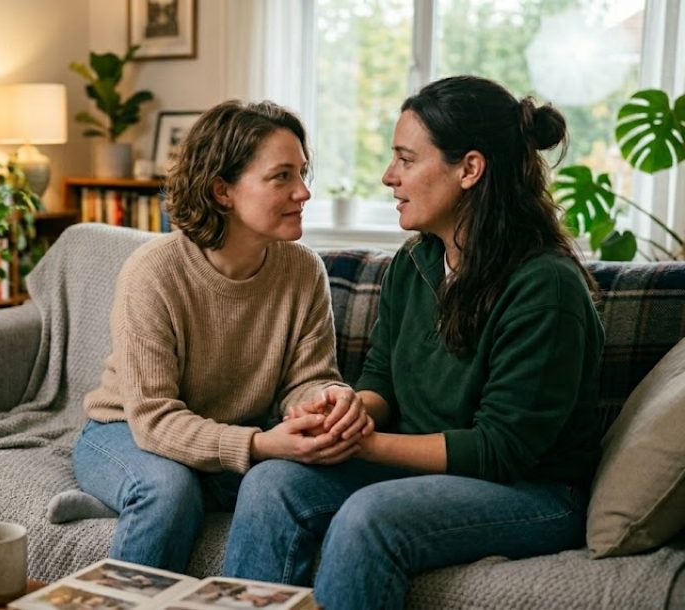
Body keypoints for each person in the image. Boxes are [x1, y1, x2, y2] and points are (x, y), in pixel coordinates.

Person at [222, 75, 605, 609]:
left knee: (368, 518)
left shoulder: (545, 285)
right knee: (272, 483)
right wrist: (348, 412)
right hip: (420, 468)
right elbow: (382, 377)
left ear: (469, 169)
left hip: (534, 491)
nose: (388, 177)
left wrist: (364, 444)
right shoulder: (416, 262)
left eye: (406, 159)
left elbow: (501, 449)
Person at [71, 100, 373, 572]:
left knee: (281, 482)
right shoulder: (154, 272)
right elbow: (152, 418)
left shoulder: (303, 270)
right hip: (125, 430)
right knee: (168, 490)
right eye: (282, 177)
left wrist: (326, 399)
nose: (303, 193)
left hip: (231, 433)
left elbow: (308, 378)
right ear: (222, 191)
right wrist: (259, 444)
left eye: (303, 173)